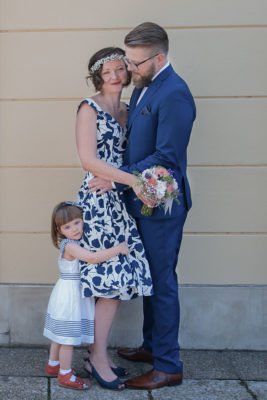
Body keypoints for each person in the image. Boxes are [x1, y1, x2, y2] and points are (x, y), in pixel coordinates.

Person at [88, 22, 196, 390]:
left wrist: (116, 175)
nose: (128, 69)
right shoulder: (145, 87)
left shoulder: (175, 94)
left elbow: (166, 157)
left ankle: (168, 365)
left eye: (135, 63)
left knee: (163, 282)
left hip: (162, 206)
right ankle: (152, 347)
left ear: (159, 57)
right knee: (151, 277)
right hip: (139, 201)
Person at [75, 47, 153, 390]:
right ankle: (98, 357)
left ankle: (96, 355)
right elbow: (88, 161)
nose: (116, 76)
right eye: (108, 72)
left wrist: (123, 180)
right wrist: (134, 181)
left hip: (119, 198)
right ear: (98, 76)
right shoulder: (87, 108)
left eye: (121, 69)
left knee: (118, 280)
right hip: (98, 200)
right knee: (108, 280)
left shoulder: (129, 107)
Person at [43, 201, 129, 390]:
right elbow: (92, 257)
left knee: (59, 334)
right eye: (67, 226)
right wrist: (118, 249)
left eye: (77, 222)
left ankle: (53, 365)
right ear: (59, 230)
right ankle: (65, 374)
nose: (74, 228)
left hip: (65, 292)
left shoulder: (72, 243)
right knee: (67, 339)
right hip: (70, 295)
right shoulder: (71, 246)